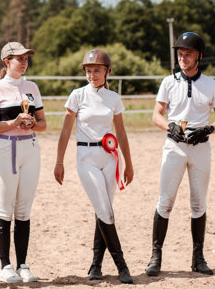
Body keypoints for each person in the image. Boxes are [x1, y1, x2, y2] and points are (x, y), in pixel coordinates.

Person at [54, 49, 134, 284]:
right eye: (88, 71)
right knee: (105, 210)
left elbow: (121, 132)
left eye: (97, 70)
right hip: (86, 156)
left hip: (109, 156)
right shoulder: (77, 96)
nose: (92, 75)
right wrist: (59, 160)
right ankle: (122, 266)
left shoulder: (113, 98)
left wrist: (129, 163)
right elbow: (65, 131)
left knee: (103, 209)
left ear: (108, 71)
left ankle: (96, 266)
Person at [145, 32, 215, 277]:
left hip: (200, 148)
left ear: (199, 57)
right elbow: (156, 115)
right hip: (174, 147)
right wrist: (170, 126)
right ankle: (156, 256)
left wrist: (208, 129)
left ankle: (198, 258)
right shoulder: (168, 82)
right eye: (181, 54)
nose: (183, 58)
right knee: (165, 201)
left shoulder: (211, 84)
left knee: (198, 203)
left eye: (188, 54)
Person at [0, 42, 47, 283]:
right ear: (6, 62)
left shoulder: (32, 88)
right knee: (4, 208)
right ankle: (4, 265)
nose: (24, 62)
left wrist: (32, 124)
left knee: (23, 210)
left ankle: (22, 265)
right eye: (19, 58)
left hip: (30, 149)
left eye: (26, 58)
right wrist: (13, 123)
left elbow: (43, 124)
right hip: (6, 148)